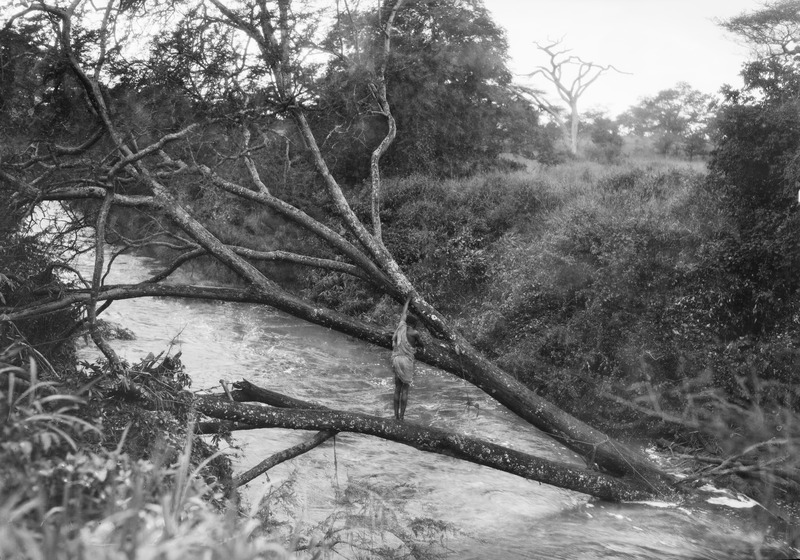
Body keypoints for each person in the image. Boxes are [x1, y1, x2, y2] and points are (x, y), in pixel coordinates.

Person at [391, 296, 423, 420]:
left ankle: (395, 416)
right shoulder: (414, 333)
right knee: (405, 390)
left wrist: (408, 300)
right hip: (407, 361)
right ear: (414, 325)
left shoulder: (401, 326)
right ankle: (402, 417)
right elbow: (421, 344)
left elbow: (403, 313)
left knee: (397, 389)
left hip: (396, 359)